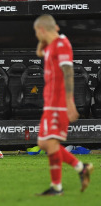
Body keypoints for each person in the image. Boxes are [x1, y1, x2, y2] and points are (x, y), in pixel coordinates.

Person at [34, 14, 93, 195]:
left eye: (37, 32)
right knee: (44, 143)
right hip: (51, 102)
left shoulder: (62, 44)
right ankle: (79, 169)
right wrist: (44, 40)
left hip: (58, 102)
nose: (36, 35)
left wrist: (69, 102)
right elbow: (39, 52)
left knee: (49, 144)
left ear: (42, 30)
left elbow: (68, 72)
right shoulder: (51, 46)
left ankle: (58, 186)